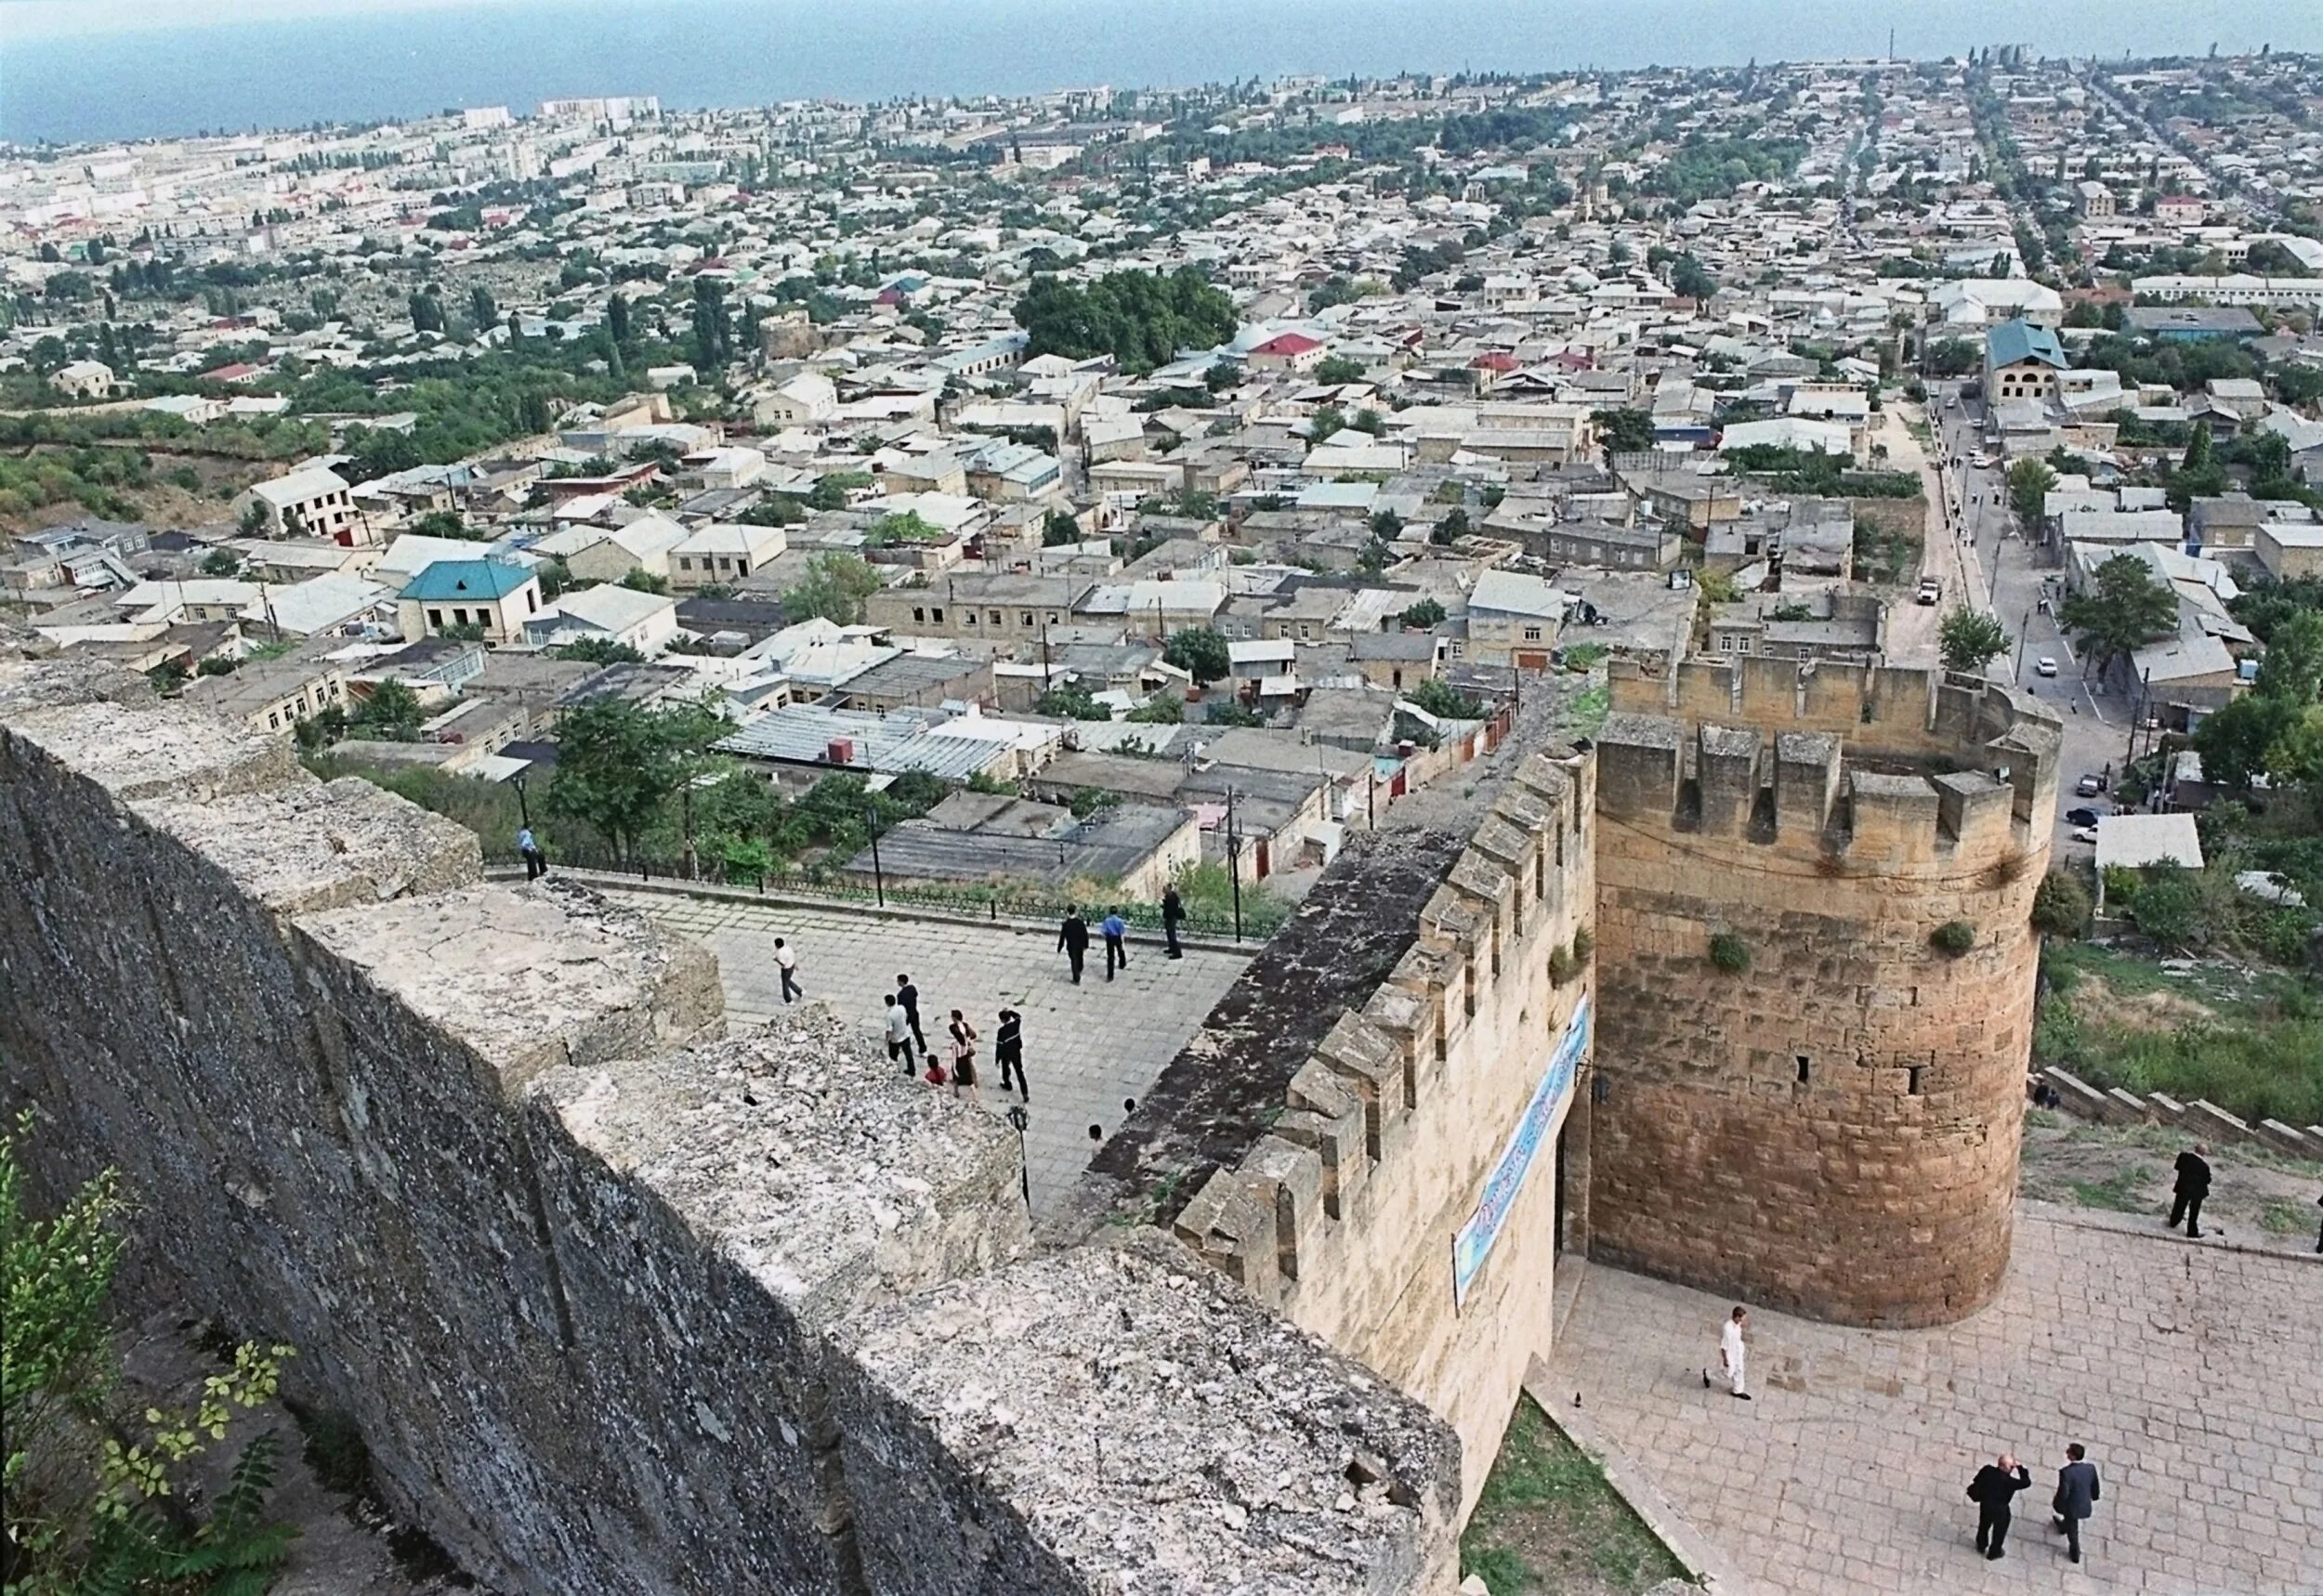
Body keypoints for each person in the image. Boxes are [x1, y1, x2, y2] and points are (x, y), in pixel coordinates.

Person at [1966, 1452, 2032, 1561]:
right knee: (1999, 1531)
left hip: (1986, 1504)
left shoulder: (1987, 1470)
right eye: (2010, 1466)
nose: (2012, 1469)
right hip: (2000, 1509)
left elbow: (1976, 1480)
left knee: (1984, 1524)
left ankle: (1981, 1545)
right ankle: (1994, 1552)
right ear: (2002, 1466)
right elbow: (2026, 1482)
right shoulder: (2011, 1482)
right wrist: (2020, 1468)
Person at [2052, 1444, 2101, 1565]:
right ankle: (2063, 1526)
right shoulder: (2090, 1468)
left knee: (2073, 1530)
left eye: (2069, 1452)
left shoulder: (2066, 1473)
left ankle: (2075, 1553)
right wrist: (2095, 1496)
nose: (2066, 1453)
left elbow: (2064, 1493)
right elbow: (2095, 1484)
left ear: (2073, 1456)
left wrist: (2057, 1504)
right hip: (2084, 1503)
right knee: (2069, 1522)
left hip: (2072, 1507)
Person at [1702, 1305, 1750, 1399]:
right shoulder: (1728, 1329)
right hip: (1730, 1353)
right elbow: (1724, 1346)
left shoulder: (1737, 1324)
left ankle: (1737, 1390)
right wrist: (1725, 1359)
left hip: (1737, 1349)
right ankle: (1708, 1374)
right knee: (1728, 1373)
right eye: (1741, 1319)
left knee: (1739, 1369)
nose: (1743, 1321)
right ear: (1736, 1317)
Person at [2169, 1142, 2211, 1238]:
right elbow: (2207, 1180)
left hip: (2183, 1186)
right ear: (2204, 1153)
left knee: (2178, 1205)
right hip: (2197, 1192)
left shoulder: (2183, 1157)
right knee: (2194, 1212)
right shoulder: (2204, 1166)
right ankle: (2192, 1231)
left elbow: (2177, 1167)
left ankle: (2174, 1221)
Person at [947, 1010, 979, 1102]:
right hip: (966, 1054)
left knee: (957, 1075)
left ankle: (956, 1092)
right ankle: (975, 1095)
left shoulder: (953, 1029)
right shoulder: (965, 1026)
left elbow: (954, 1058)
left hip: (958, 1057)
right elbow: (973, 1035)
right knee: (969, 1074)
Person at [995, 1008, 1028, 1100]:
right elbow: (1018, 1016)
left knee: (1005, 1069)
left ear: (1002, 1020)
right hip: (1016, 1051)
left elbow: (999, 1046)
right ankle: (1025, 1093)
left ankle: (1007, 1084)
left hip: (1006, 1054)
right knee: (1019, 1072)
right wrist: (1010, 1012)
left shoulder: (1001, 1031)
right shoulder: (1016, 1024)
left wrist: (997, 1059)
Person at [895, 973, 927, 1053]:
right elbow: (916, 995)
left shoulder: (900, 995)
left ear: (901, 982)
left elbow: (901, 1007)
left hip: (906, 1016)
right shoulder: (912, 988)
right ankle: (923, 1049)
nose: (897, 982)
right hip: (914, 1013)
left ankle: (900, 1047)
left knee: (901, 1031)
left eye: (898, 981)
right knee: (917, 1031)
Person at [883, 995, 914, 1074]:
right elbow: (906, 1016)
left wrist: (887, 1040)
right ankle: (912, 1070)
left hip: (895, 1038)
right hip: (905, 1034)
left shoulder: (889, 1015)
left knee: (893, 1056)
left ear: (887, 1003)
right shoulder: (901, 1008)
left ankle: (894, 1070)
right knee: (908, 1054)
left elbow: (889, 1029)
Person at [1057, 909, 1090, 985]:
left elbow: (1062, 937)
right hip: (1080, 944)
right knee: (1080, 956)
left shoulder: (1066, 924)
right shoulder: (1080, 922)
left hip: (1071, 945)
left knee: (1074, 961)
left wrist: (1059, 947)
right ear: (1075, 912)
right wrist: (1086, 945)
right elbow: (1085, 934)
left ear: (1067, 913)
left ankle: (1076, 979)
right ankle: (1080, 968)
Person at [1101, 908, 1129, 980]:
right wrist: (1123, 942)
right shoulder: (1120, 921)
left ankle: (1110, 975)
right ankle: (1122, 964)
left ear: (1109, 912)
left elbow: (1103, 931)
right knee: (1121, 951)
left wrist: (1106, 937)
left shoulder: (1107, 920)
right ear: (1117, 912)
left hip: (1110, 938)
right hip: (1117, 937)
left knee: (1110, 956)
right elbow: (1122, 932)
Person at [773, 937, 801, 1004]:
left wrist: (776, 960)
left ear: (777, 945)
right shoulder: (788, 948)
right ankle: (799, 991)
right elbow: (792, 956)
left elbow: (783, 963)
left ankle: (788, 1000)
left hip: (786, 969)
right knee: (787, 980)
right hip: (791, 966)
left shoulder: (779, 952)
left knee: (785, 984)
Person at [1162, 885, 1187, 960]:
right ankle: (1171, 948)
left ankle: (1177, 953)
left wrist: (1165, 905)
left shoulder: (1172, 897)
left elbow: (1171, 908)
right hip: (1169, 917)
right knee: (1169, 934)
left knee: (1172, 936)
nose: (1163, 890)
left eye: (1165, 889)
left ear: (1169, 889)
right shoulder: (1170, 896)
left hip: (1171, 918)